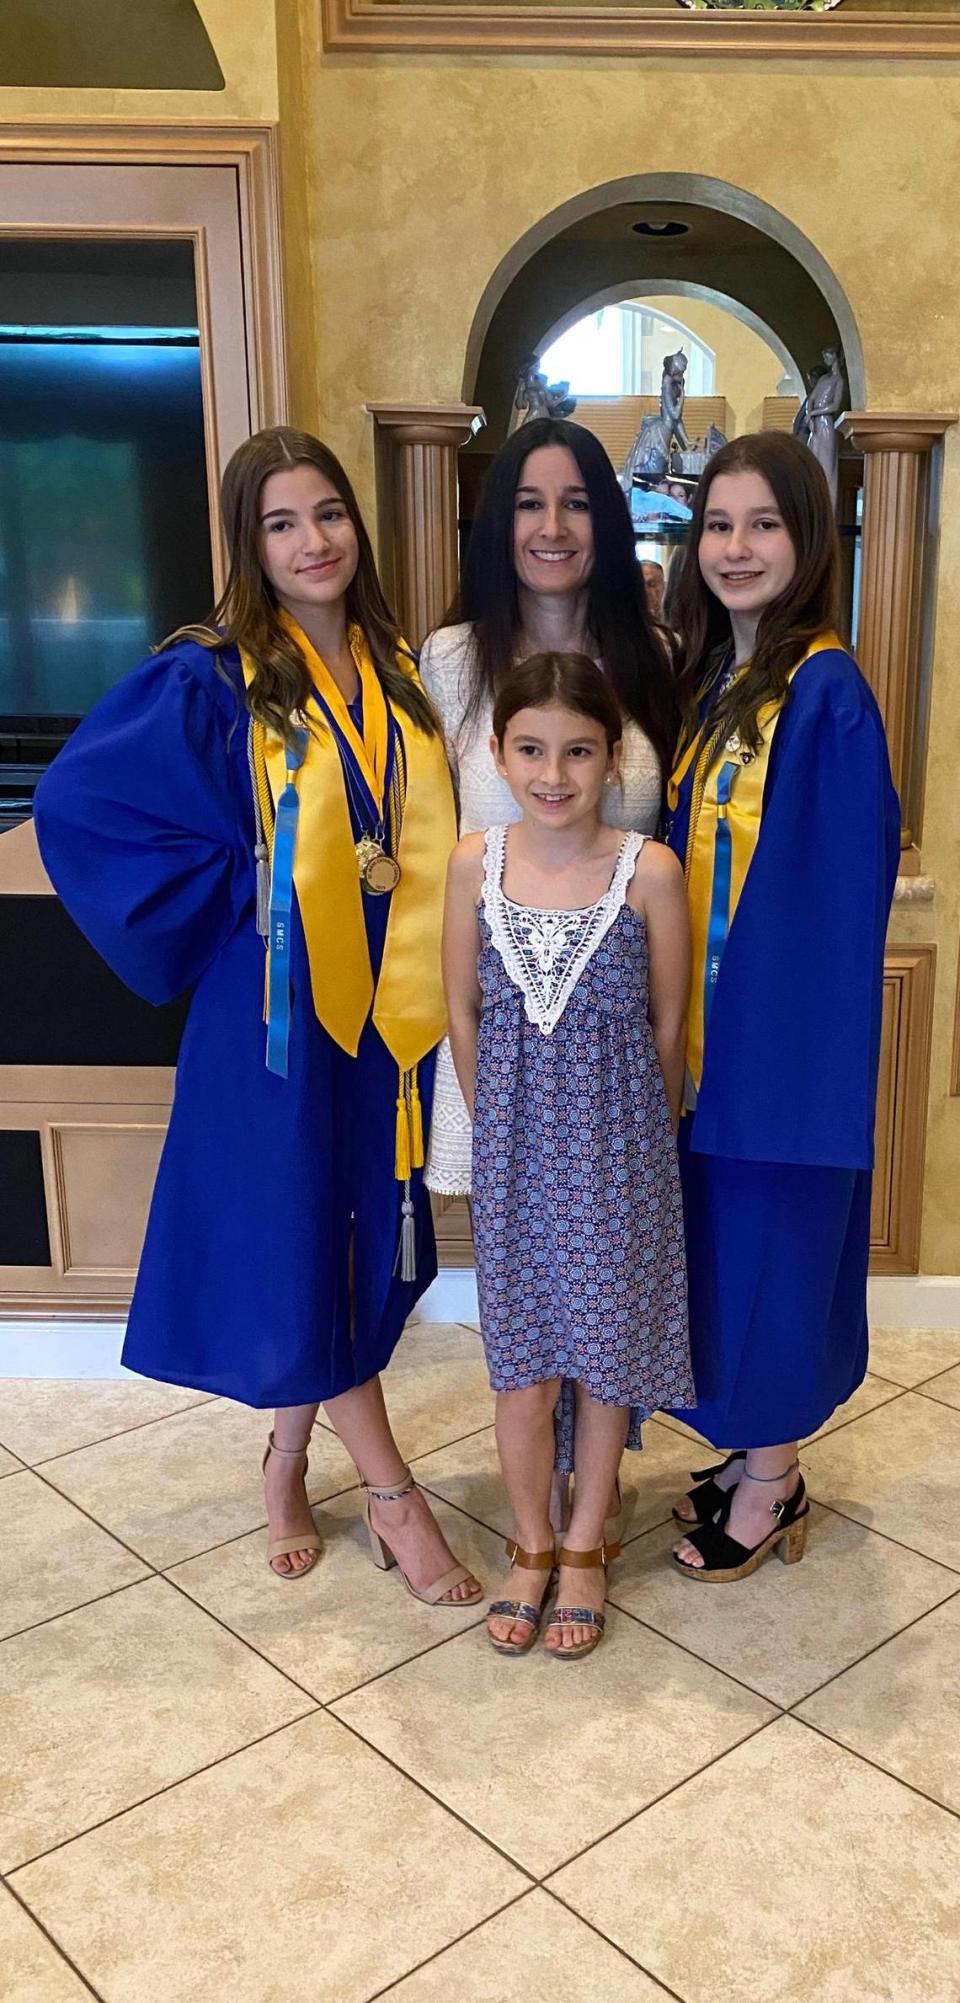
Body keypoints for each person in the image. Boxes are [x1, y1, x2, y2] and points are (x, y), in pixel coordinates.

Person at [33, 425, 482, 1607]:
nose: (312, 540)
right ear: (251, 543)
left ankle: (285, 1457)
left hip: (384, 1021)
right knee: (296, 1228)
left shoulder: (399, 675)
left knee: (338, 1238)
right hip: (276, 1014)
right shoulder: (211, 673)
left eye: (327, 513)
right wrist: (252, 887)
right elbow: (78, 799)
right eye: (281, 522)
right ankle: (391, 1491)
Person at [419, 415, 679, 1512]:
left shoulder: (653, 654)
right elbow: (432, 841)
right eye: (529, 501)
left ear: (606, 520)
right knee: (525, 1283)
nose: (553, 524)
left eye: (576, 501)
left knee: (608, 1274)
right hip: (511, 1042)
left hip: (613, 1045)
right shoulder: (449, 660)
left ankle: (593, 1480)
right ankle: (545, 1485)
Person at [665, 432, 899, 1583]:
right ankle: (755, 1452)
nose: (737, 547)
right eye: (719, 524)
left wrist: (768, 1061)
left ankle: (774, 1479)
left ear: (808, 542)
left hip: (778, 1054)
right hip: (712, 1051)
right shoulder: (725, 682)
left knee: (776, 1260)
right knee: (730, 1260)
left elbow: (827, 901)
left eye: (764, 524)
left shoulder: (827, 690)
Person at [443, 651, 693, 1658]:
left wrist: (631, 1136)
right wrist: (501, 1120)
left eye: (579, 750)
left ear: (612, 758)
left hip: (618, 1161)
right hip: (514, 1162)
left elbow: (671, 1026)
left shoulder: (650, 872)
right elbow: (461, 1007)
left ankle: (587, 1543)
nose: (555, 772)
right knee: (524, 1374)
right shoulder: (475, 864)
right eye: (532, 748)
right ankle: (534, 1540)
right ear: (500, 753)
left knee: (603, 1362)